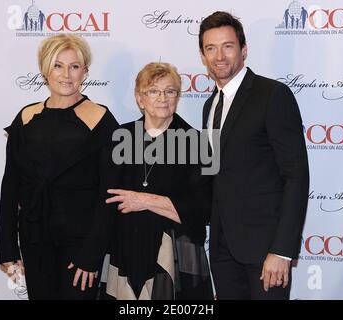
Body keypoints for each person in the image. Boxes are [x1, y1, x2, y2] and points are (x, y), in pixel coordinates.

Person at [0, 34, 119, 300]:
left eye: (74, 66)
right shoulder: (26, 117)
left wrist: (92, 253)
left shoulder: (102, 120)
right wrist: (7, 247)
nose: (66, 74)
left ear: (85, 71)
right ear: (45, 70)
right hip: (34, 239)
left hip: (80, 245)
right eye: (58, 65)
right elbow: (11, 185)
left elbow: (109, 196)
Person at [199, 11, 309, 299]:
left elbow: (296, 175)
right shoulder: (209, 105)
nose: (219, 56)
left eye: (227, 46)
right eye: (210, 48)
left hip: (265, 253)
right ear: (203, 56)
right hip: (223, 252)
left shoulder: (272, 95)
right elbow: (213, 173)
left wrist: (282, 250)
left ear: (243, 50)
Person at [88, 62, 213, 300]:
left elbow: (205, 209)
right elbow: (105, 203)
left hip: (175, 255)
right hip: (124, 251)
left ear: (178, 97)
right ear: (139, 98)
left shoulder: (198, 143)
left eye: (170, 91)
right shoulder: (118, 139)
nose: (163, 98)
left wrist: (144, 200)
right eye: (153, 91)